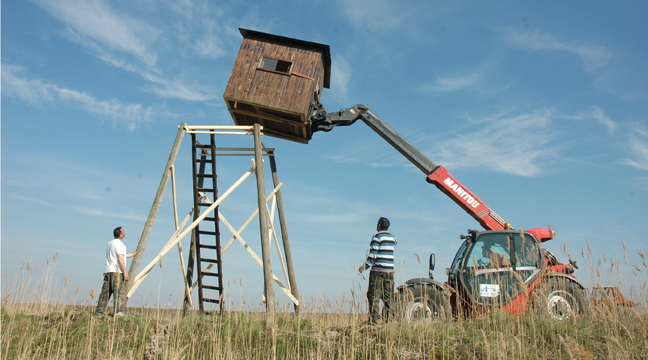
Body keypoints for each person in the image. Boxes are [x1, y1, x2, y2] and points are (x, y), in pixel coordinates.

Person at [359, 217, 398, 324]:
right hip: (390, 272)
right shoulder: (392, 237)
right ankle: (389, 320)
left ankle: (375, 321)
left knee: (374, 295)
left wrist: (365, 266)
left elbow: (373, 254)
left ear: (379, 225)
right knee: (388, 297)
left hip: (377, 271)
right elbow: (396, 242)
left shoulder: (376, 237)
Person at [95, 226, 138, 317]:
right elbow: (120, 258)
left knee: (105, 293)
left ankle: (99, 312)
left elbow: (121, 255)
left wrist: (132, 254)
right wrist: (125, 273)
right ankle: (118, 312)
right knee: (119, 292)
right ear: (120, 234)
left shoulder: (110, 243)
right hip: (116, 272)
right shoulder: (120, 244)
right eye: (123, 230)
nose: (125, 231)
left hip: (108, 271)